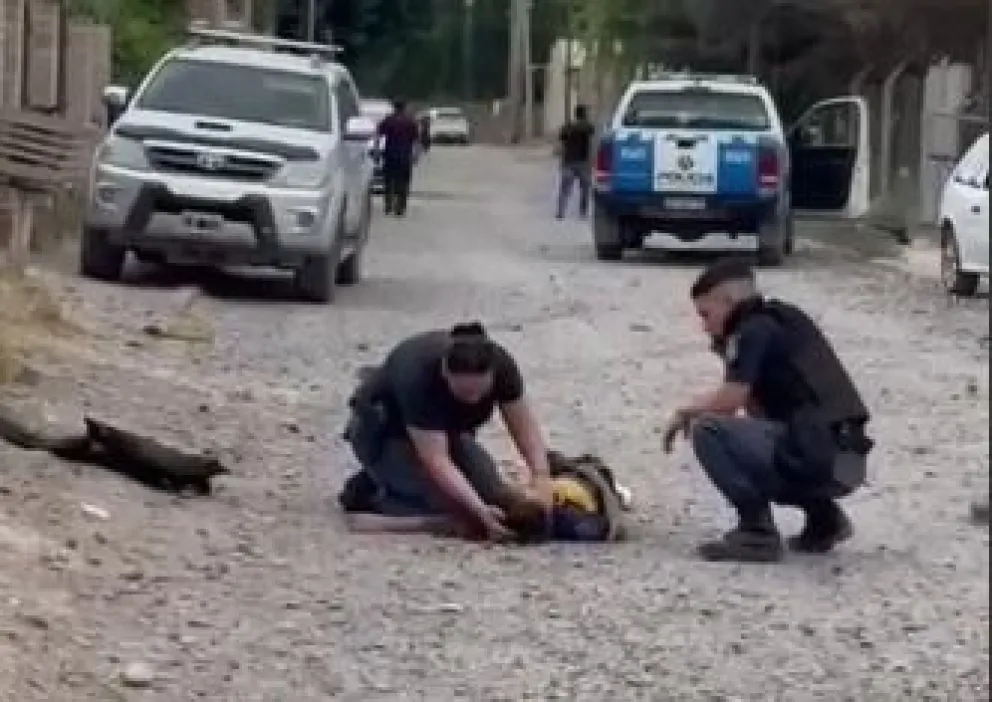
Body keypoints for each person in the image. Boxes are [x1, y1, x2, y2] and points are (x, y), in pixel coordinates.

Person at [662, 259, 874, 563]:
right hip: (850, 464)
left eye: (705, 314)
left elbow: (731, 400)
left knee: (708, 430)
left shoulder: (751, 330)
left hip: (822, 456)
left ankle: (756, 533)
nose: (704, 325)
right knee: (761, 443)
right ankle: (825, 520)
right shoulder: (785, 320)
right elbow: (760, 414)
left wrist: (686, 411)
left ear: (728, 301)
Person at [338, 322, 554, 541]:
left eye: (479, 392)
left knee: (490, 489)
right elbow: (436, 460)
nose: (473, 398)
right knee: (453, 507)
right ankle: (376, 493)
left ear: (492, 373)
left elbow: (523, 426)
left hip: (445, 435)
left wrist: (542, 479)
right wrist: (479, 511)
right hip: (384, 433)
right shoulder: (419, 376)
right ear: (444, 371)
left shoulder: (502, 367)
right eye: (464, 392)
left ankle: (392, 478)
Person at [376, 99, 420, 216]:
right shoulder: (410, 121)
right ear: (404, 107)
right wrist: (415, 155)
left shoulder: (388, 120)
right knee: (403, 182)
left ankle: (388, 205)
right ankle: (400, 207)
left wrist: (376, 151)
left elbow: (378, 135)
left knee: (389, 182)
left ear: (394, 107)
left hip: (390, 155)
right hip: (405, 156)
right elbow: (416, 140)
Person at [555, 104, 595, 220]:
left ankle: (560, 212)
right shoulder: (587, 126)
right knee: (585, 189)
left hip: (568, 161)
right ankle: (583, 213)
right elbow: (592, 132)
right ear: (584, 114)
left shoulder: (567, 127)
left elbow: (561, 140)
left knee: (565, 188)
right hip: (583, 162)